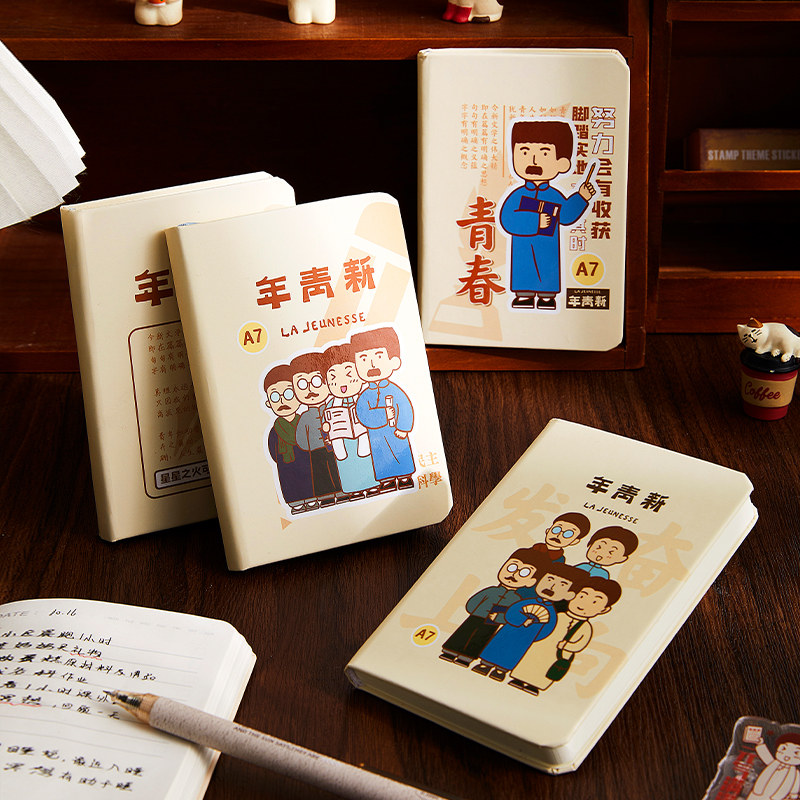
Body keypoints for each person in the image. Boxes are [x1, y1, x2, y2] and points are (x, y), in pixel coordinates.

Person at [499, 119, 596, 310]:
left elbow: (566, 216)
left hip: (547, 246)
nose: (533, 161)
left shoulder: (554, 195)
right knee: (523, 268)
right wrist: (536, 221)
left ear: (562, 164)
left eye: (544, 154)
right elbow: (507, 219)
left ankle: (547, 296)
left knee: (547, 267)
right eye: (524, 152)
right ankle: (523, 295)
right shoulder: (517, 195)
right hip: (522, 246)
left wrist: (581, 197)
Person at [470, 561, 587, 682]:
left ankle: (501, 670)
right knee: (497, 645)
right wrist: (522, 620)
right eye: (549, 580)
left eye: (562, 585)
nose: (552, 587)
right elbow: (511, 612)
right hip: (509, 630)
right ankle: (485, 664)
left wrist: (532, 636)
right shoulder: (526, 601)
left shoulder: (551, 613)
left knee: (513, 653)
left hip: (526, 638)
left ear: (569, 595)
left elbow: (547, 629)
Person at [508, 576, 622, 695]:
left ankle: (535, 686)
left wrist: (567, 646)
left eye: (594, 602)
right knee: (530, 660)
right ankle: (518, 679)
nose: (583, 603)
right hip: (541, 645)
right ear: (573, 596)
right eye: (582, 596)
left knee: (545, 669)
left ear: (604, 610)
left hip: (558, 654)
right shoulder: (559, 616)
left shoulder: (585, 627)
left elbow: (581, 643)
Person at [439, 548, 543, 668]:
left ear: (531, 582)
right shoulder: (492, 590)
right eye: (512, 568)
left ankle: (467, 657)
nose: (514, 574)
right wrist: (475, 610)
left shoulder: (516, 599)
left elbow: (511, 614)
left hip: (493, 622)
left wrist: (499, 618)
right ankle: (450, 651)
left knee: (481, 639)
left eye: (524, 573)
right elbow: (474, 601)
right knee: (464, 633)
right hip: (476, 616)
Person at [352, 327, 415, 493]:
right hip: (376, 435)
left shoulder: (395, 390)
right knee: (380, 457)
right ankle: (386, 480)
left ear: (394, 362)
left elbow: (405, 407)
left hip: (396, 432)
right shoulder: (364, 396)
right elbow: (363, 414)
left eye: (378, 357)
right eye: (363, 359)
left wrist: (403, 428)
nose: (371, 364)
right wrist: (384, 414)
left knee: (401, 453)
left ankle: (405, 477)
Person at [320, 342, 378, 500]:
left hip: (363, 434)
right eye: (334, 378)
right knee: (346, 462)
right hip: (342, 439)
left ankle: (372, 485)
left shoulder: (364, 397)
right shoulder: (330, 404)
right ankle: (353, 489)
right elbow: (326, 422)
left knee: (365, 458)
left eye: (349, 375)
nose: (342, 383)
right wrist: (326, 427)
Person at [291, 351, 343, 509]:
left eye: (316, 381)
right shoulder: (305, 417)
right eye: (302, 384)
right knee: (321, 475)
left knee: (337, 469)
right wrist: (311, 445)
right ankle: (326, 497)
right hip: (315, 452)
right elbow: (301, 439)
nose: (309, 389)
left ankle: (341, 492)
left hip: (335, 447)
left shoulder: (332, 407)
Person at [263, 363, 313, 514]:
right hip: (286, 467)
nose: (282, 401)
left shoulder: (304, 422)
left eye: (289, 394)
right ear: (268, 403)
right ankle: (295, 503)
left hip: (306, 462)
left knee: (310, 479)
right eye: (275, 396)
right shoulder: (275, 431)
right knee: (290, 483)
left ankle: (312, 500)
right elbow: (273, 452)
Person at [747, 734, 800, 800]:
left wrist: (793, 795)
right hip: (760, 791)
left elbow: (796, 785)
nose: (787, 755)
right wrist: (760, 744)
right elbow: (765, 755)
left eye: (796, 753)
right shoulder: (773, 763)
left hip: (777, 796)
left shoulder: (795, 773)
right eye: (784, 748)